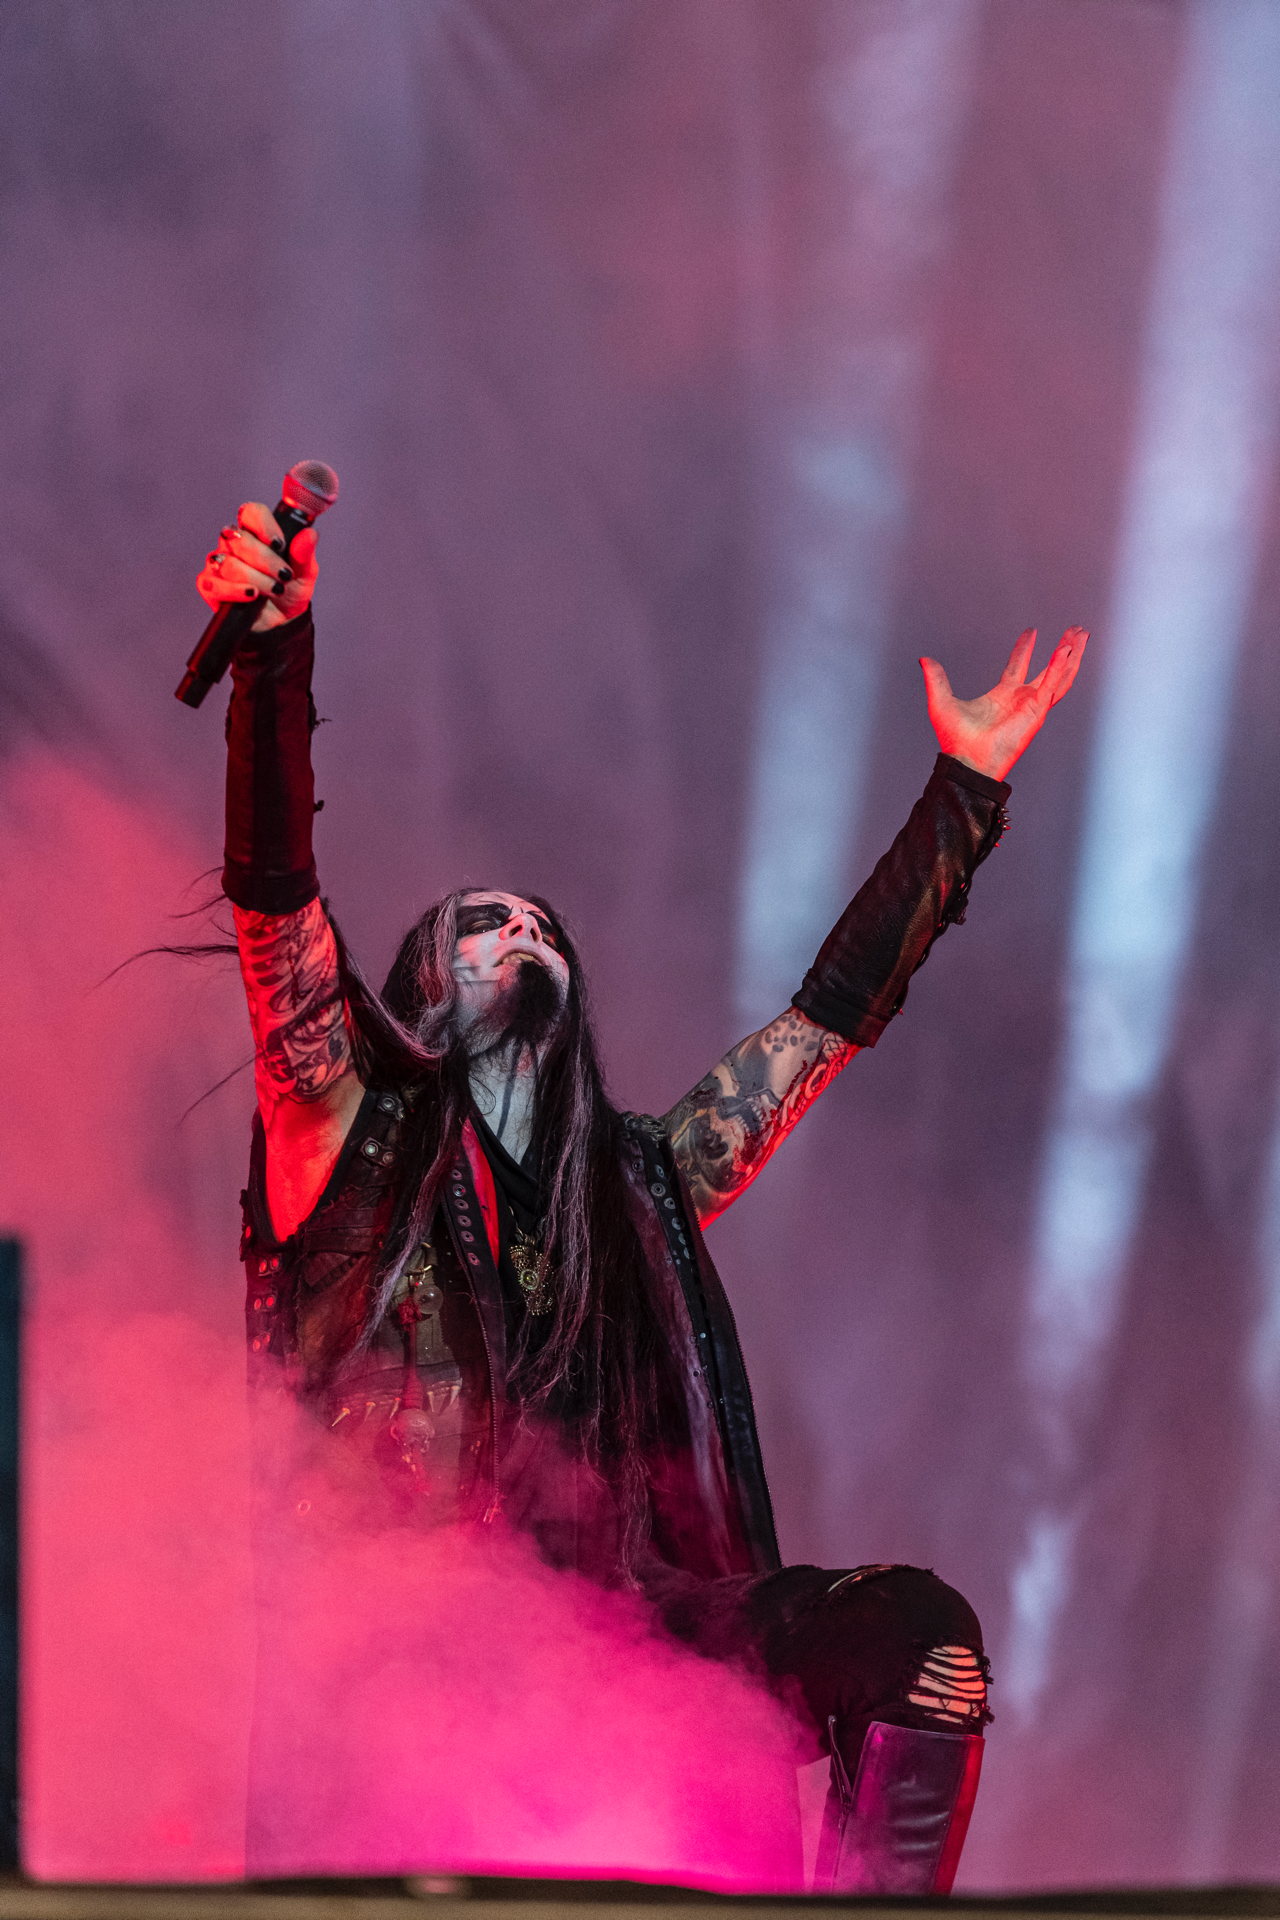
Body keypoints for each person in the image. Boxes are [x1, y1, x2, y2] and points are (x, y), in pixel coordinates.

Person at [198, 501, 1086, 1893]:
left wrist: (961, 800)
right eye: (482, 923)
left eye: (539, 922)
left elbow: (818, 1031)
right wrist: (274, 656)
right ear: (419, 986)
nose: (521, 927)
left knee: (921, 1640)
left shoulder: (638, 1188)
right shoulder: (344, 1137)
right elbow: (275, 911)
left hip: (630, 1629)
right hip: (403, 1643)